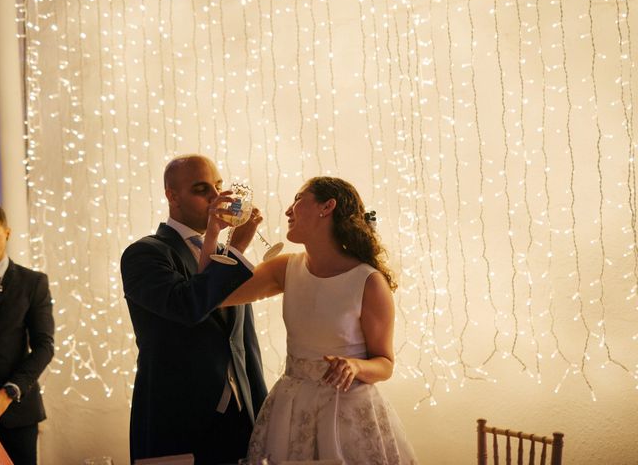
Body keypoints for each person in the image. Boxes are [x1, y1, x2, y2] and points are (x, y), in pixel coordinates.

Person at [203, 176, 419, 464]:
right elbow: (210, 295)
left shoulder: (369, 281)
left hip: (348, 412)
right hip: (290, 410)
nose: (288, 210)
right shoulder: (284, 268)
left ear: (327, 206)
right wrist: (215, 233)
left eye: (298, 199)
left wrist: (354, 366)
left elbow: (385, 363)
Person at [120, 154, 267, 464]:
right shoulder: (144, 253)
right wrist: (235, 249)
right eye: (202, 190)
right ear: (172, 196)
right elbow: (188, 307)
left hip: (239, 420)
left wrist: (261, 410)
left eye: (218, 186)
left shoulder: (225, 257)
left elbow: (242, 342)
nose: (216, 199)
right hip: (176, 420)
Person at [0, 205, 55, 465]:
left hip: (17, 413)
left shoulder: (33, 283)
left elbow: (44, 346)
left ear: (7, 233)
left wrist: (9, 392)